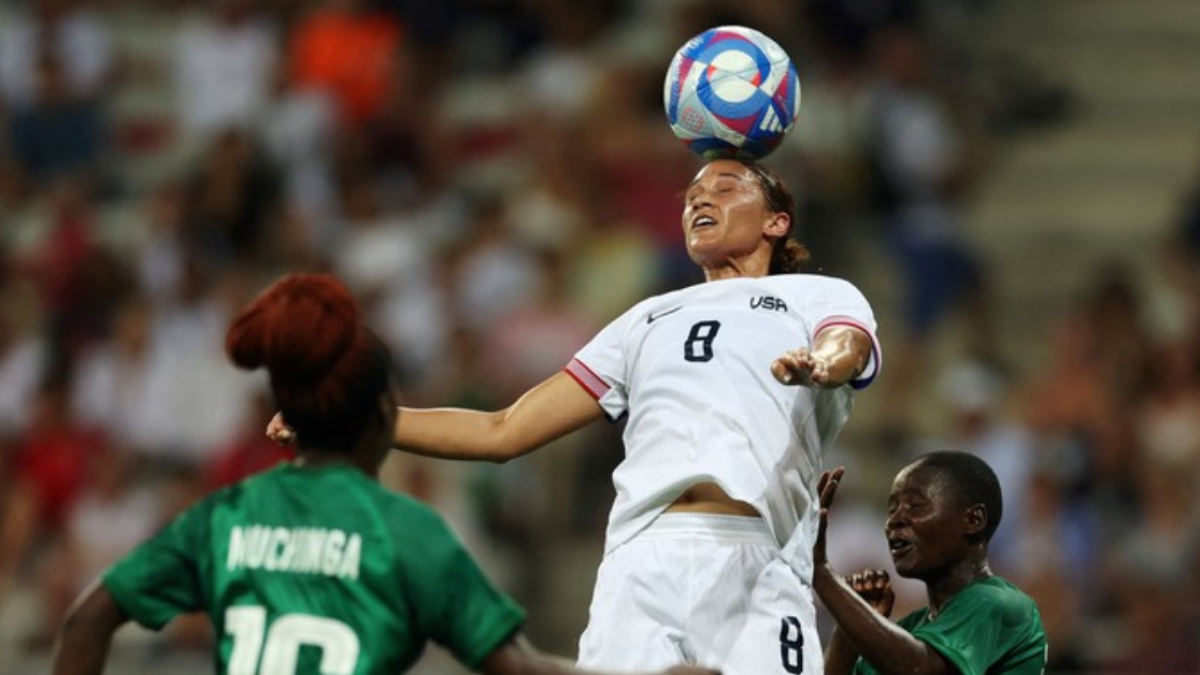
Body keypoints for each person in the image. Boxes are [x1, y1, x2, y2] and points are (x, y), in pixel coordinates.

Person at [268, 158, 883, 675]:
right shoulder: (643, 320)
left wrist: (820, 365)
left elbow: (846, 346)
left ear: (777, 221)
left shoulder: (817, 296)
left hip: (760, 559)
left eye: (725, 189)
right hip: (640, 562)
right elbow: (502, 430)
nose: (701, 200)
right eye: (692, 195)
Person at [50, 272, 717, 675]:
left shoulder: (222, 516)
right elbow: (520, 669)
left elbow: (86, 622)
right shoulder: (407, 533)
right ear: (384, 417)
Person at [813, 452, 1048, 675]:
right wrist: (852, 621)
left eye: (915, 505)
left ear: (974, 519)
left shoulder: (1000, 604)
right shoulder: (913, 630)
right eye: (891, 509)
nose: (895, 520)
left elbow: (918, 669)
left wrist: (823, 576)